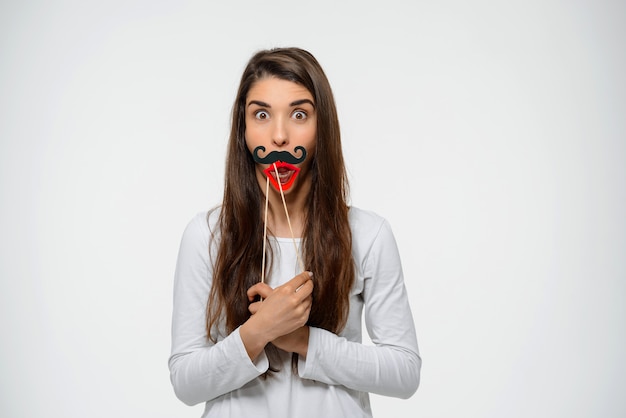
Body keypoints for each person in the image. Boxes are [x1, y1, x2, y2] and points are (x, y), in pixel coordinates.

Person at [168, 47, 421, 418]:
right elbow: (185, 383)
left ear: (323, 128)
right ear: (243, 129)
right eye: (261, 114)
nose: (280, 136)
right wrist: (260, 331)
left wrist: (303, 340)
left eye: (299, 114)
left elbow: (405, 373)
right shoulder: (207, 235)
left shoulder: (368, 234)